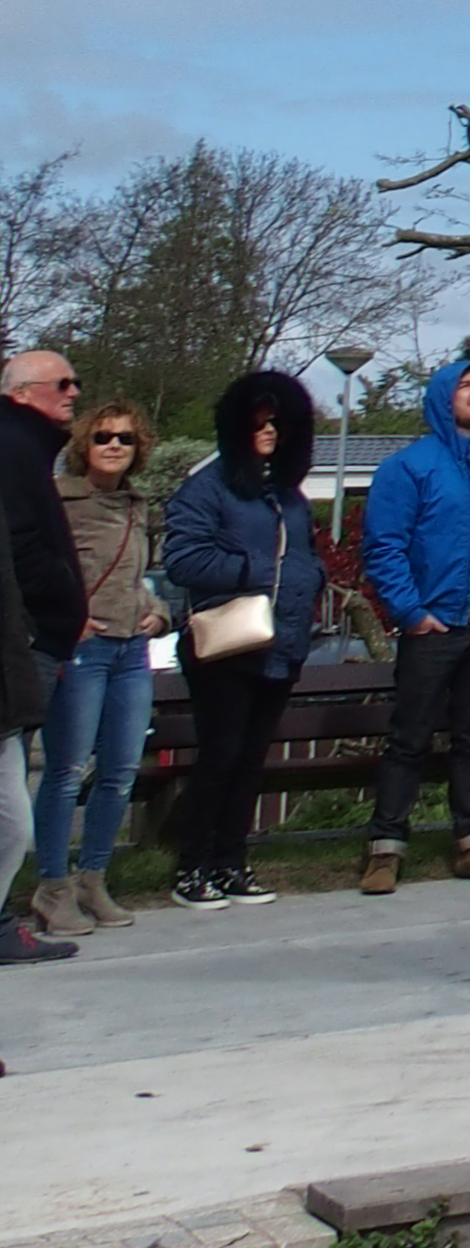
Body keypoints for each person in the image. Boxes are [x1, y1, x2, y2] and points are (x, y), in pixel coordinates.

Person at [354, 355, 470, 891]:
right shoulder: (408, 467)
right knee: (409, 739)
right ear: (442, 397)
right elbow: (383, 547)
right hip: (433, 628)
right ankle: (385, 851)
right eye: (465, 385)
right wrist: (411, 612)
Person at [159, 368, 325, 916]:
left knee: (251, 759)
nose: (271, 430)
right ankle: (192, 866)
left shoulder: (288, 494)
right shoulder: (206, 486)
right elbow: (183, 560)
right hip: (226, 645)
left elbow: (304, 556)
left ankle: (231, 862)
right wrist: (262, 570)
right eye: (260, 420)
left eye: (279, 421)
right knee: (221, 755)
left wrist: (310, 579)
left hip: (282, 642)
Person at [37, 401, 164, 935]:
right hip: (84, 650)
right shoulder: (60, 502)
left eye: (125, 439)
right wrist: (68, 620)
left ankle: (94, 878)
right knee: (66, 773)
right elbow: (40, 571)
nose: (114, 445)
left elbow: (142, 576)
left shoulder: (139, 505)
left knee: (119, 772)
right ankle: (52, 886)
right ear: (84, 444)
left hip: (132, 650)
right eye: (104, 437)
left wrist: (158, 612)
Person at [0, 346, 90, 946]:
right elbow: (23, 546)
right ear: (22, 392)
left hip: (26, 642)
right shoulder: (13, 445)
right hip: (18, 646)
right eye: (63, 383)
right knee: (9, 814)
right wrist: (59, 610)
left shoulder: (25, 446)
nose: (75, 392)